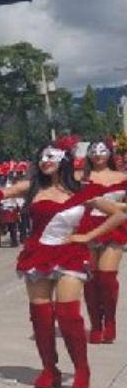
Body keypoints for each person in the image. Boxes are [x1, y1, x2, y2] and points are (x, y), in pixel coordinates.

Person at [2, 138, 127, 388]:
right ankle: (50, 369)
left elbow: (118, 214)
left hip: (70, 253)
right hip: (37, 255)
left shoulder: (81, 191)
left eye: (52, 156)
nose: (45, 161)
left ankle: (82, 369)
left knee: (68, 314)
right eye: (42, 157)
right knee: (41, 317)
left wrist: (87, 237)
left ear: (64, 161)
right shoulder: (32, 187)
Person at [77, 139, 127, 343]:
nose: (98, 155)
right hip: (87, 228)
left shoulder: (122, 177)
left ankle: (110, 323)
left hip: (114, 227)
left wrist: (109, 206)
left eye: (102, 151)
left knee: (106, 278)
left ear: (110, 153)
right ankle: (96, 325)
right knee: (91, 279)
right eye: (94, 151)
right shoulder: (81, 177)